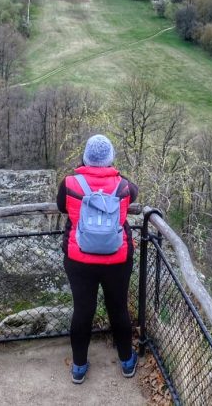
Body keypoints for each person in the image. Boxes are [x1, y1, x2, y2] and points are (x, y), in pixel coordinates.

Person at [56, 133, 139, 385]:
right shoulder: (124, 186)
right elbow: (133, 197)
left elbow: (61, 207)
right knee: (118, 309)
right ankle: (127, 362)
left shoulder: (69, 183)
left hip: (79, 259)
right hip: (117, 259)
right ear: (110, 158)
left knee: (83, 311)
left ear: (86, 157)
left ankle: (79, 367)